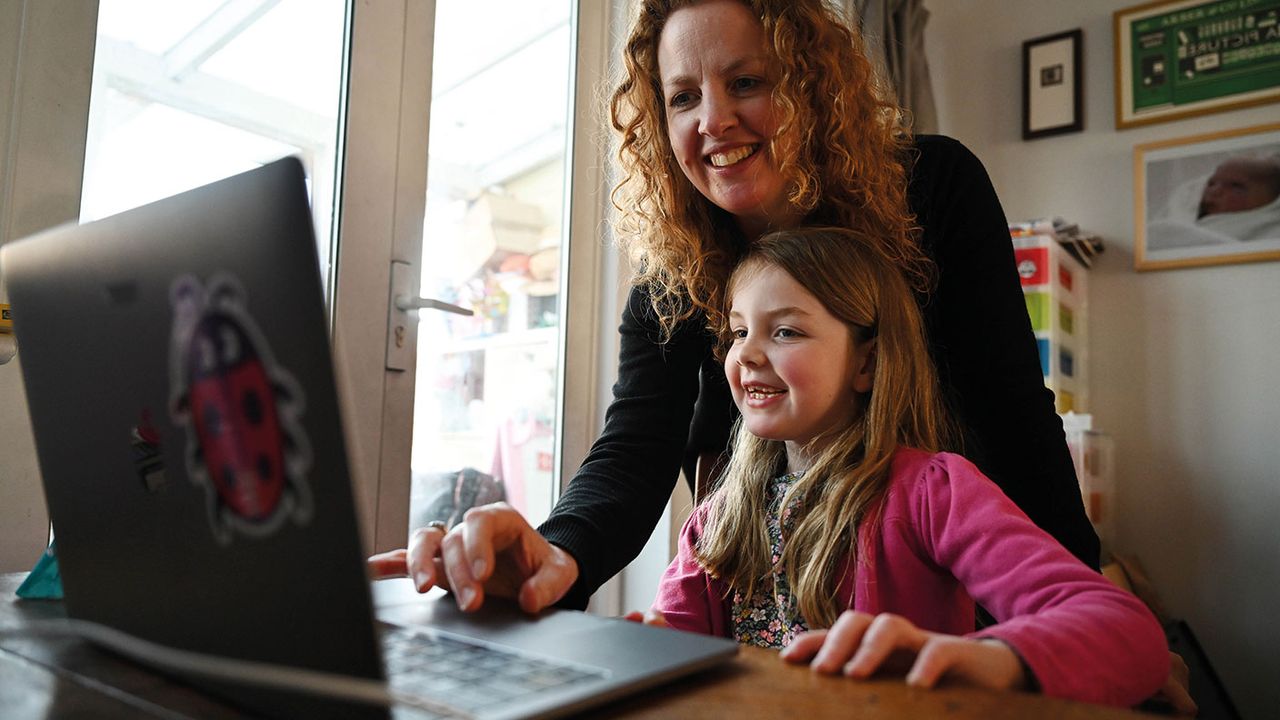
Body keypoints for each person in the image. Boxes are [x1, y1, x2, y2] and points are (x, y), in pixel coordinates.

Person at [369, 0, 1098, 618]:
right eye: (683, 97)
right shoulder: (670, 284)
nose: (714, 121)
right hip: (766, 624)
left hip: (943, 611)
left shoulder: (934, 188)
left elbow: (1014, 413)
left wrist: (1087, 607)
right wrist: (552, 555)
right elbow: (634, 449)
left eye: (746, 81)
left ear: (811, 87)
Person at [645, 226, 1168, 706]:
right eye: (738, 332)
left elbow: (1123, 630)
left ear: (867, 362)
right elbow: (674, 641)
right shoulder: (716, 519)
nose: (748, 355)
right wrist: (647, 650)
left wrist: (992, 660)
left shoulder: (933, 492)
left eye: (785, 332)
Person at [1148, 153, 1280, 250]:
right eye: (1211, 183)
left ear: (1270, 202)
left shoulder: (1267, 226)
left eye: (1236, 186)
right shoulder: (1188, 216)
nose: (1215, 191)